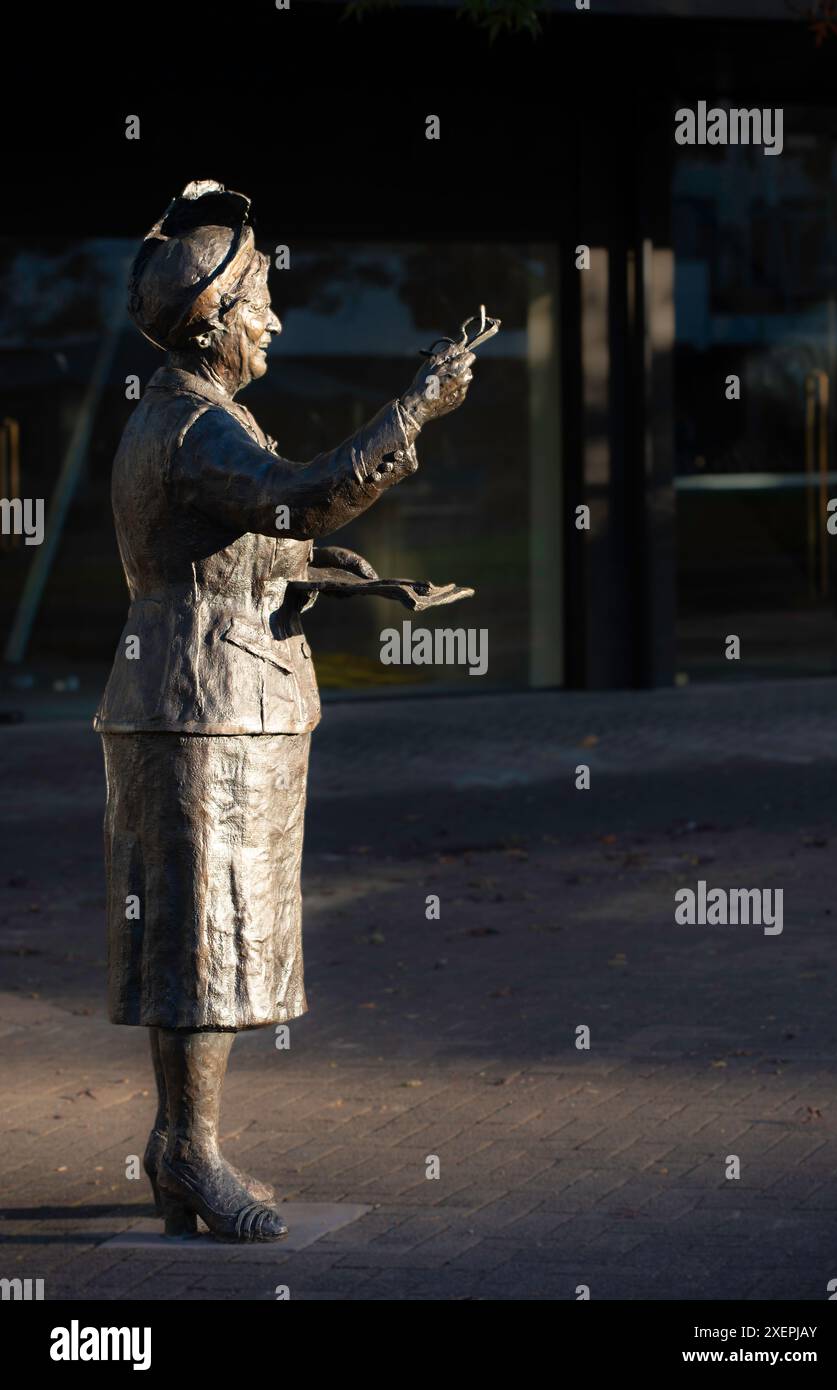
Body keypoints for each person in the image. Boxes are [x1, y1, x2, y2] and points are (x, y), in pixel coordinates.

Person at [95, 180, 475, 1241]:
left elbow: (255, 540)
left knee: (212, 930)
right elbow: (299, 493)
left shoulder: (202, 417)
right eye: (261, 298)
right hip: (200, 704)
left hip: (217, 696)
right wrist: (416, 409)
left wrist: (340, 578)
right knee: (200, 936)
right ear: (209, 323)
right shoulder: (192, 428)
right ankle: (187, 1148)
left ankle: (185, 1147)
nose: (276, 318)